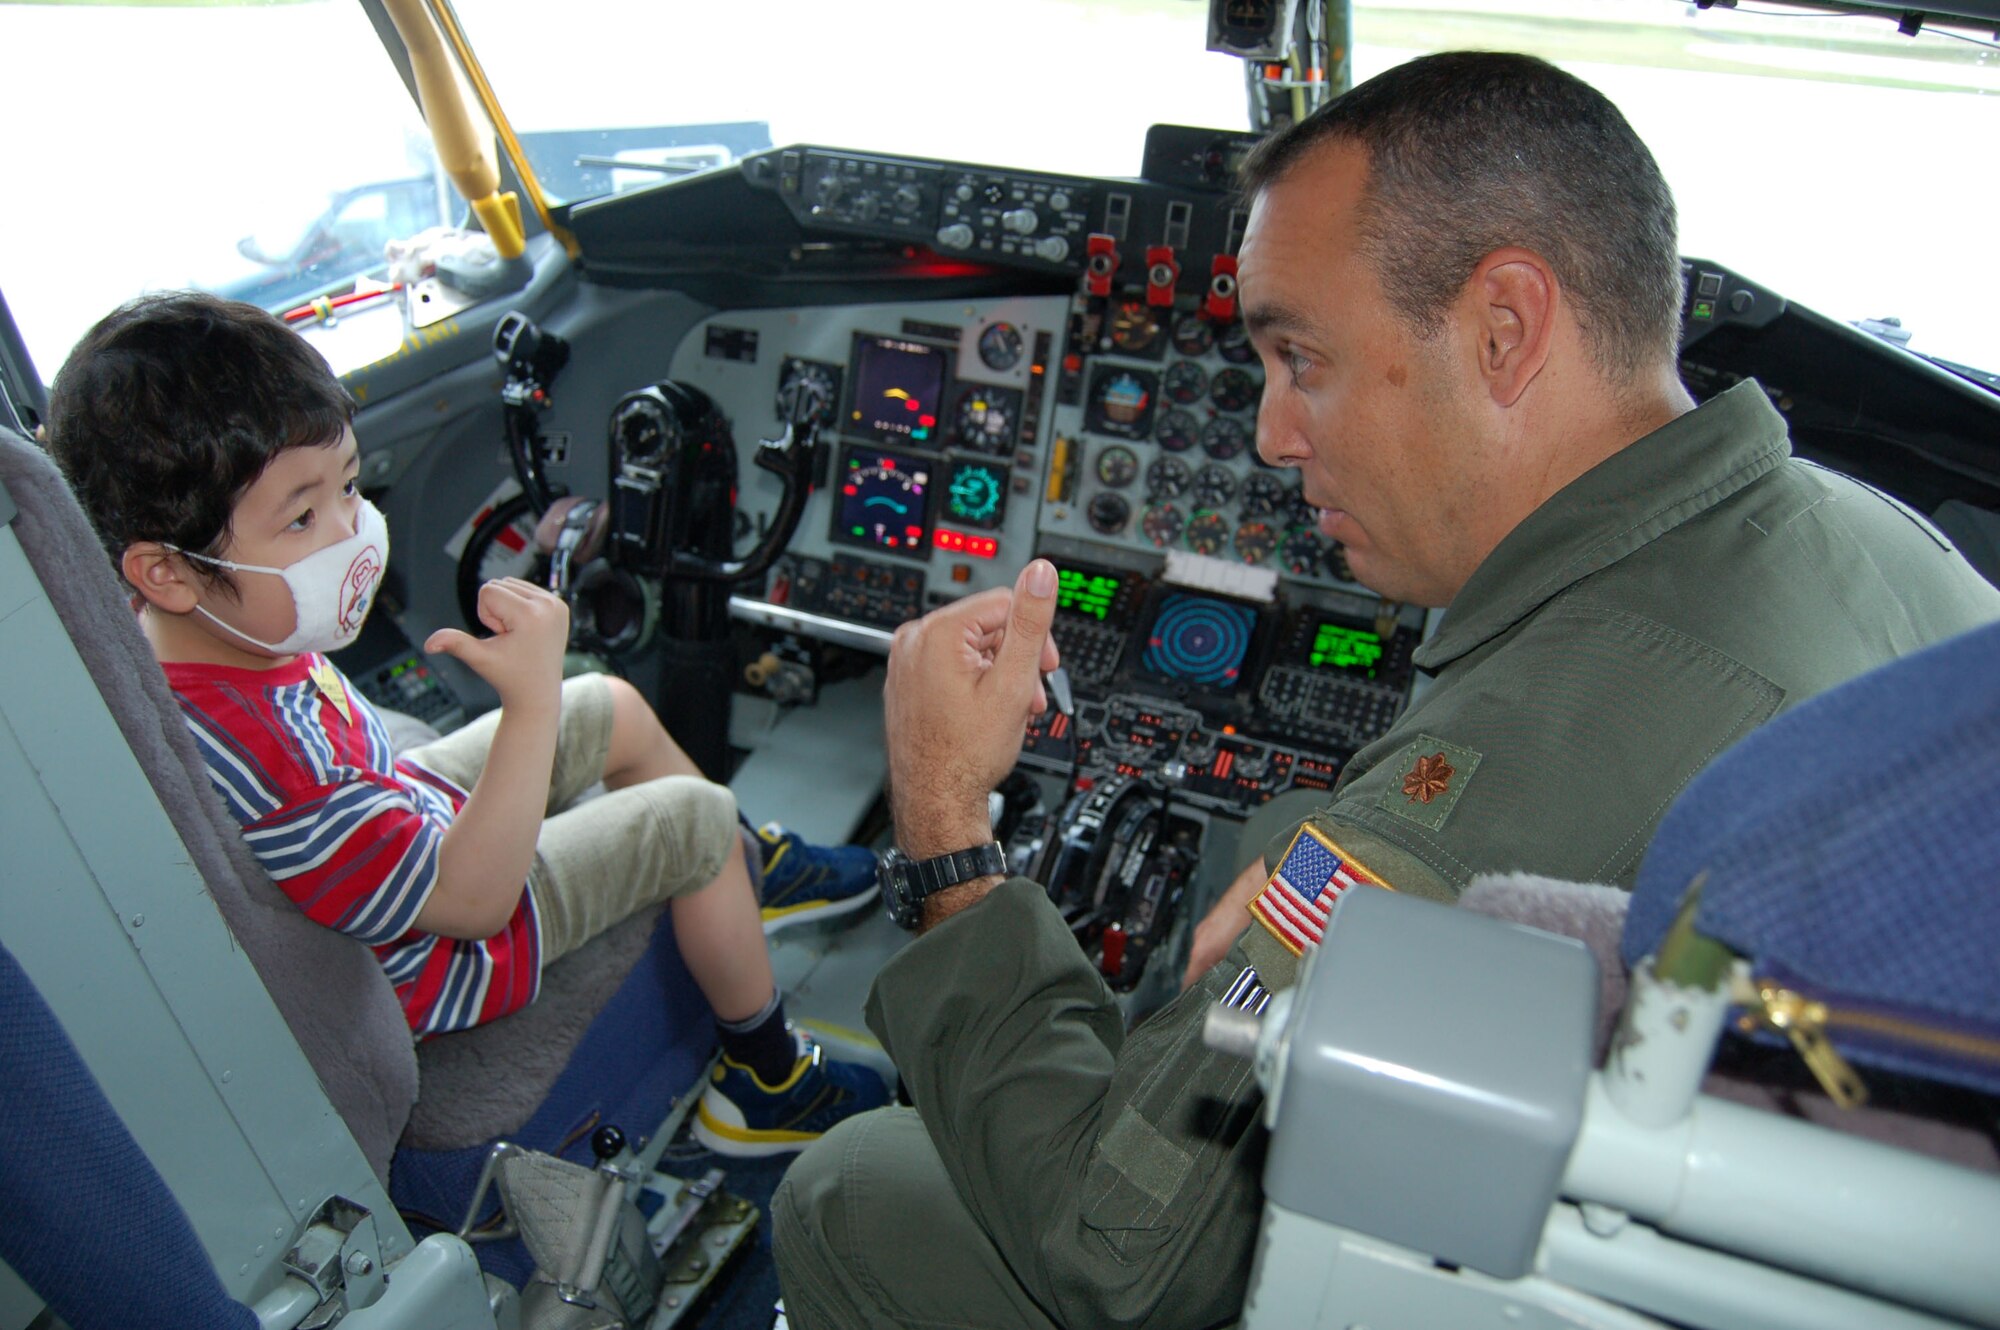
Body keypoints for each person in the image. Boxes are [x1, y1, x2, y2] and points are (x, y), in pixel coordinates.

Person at [771, 51, 2000, 1327]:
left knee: (859, 1180)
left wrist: (943, 835)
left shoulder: (1524, 751)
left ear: (1504, 330)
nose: (1266, 435)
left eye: (1300, 358)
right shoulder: (1874, 538)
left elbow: (1117, 1248)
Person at [45, 291, 888, 1158]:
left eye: (348, 485)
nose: (351, 533)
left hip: (396, 830)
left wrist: (544, 702)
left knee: (610, 704)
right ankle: (764, 1078)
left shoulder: (191, 639)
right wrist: (528, 702)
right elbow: (473, 904)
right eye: (302, 517)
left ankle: (754, 876)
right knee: (694, 819)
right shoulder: (278, 764)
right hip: (444, 957)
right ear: (168, 572)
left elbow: (369, 805)